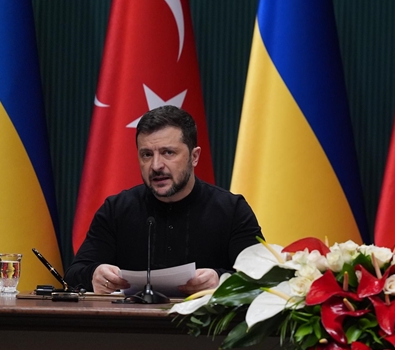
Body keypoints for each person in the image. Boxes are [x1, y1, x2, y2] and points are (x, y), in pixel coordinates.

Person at [64, 105, 263, 295]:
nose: (156, 165)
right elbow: (73, 274)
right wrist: (94, 275)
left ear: (194, 157)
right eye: (147, 155)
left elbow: (264, 278)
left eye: (168, 153)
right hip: (130, 319)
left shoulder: (232, 210)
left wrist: (221, 280)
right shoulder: (116, 209)